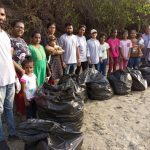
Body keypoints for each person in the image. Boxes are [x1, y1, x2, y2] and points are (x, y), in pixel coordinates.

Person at [0, 6, 18, 149]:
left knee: (9, 109)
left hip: (10, 79)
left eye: (2, 14)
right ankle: (1, 139)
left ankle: (12, 133)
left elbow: (9, 58)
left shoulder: (5, 35)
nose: (1, 17)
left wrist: (16, 77)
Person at [10, 20, 30, 119]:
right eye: (18, 27)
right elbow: (9, 58)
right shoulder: (10, 40)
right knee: (20, 94)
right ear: (13, 28)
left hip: (27, 71)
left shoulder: (22, 40)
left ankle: (24, 113)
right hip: (17, 72)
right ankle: (21, 115)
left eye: (22, 27)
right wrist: (21, 70)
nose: (20, 29)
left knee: (26, 92)